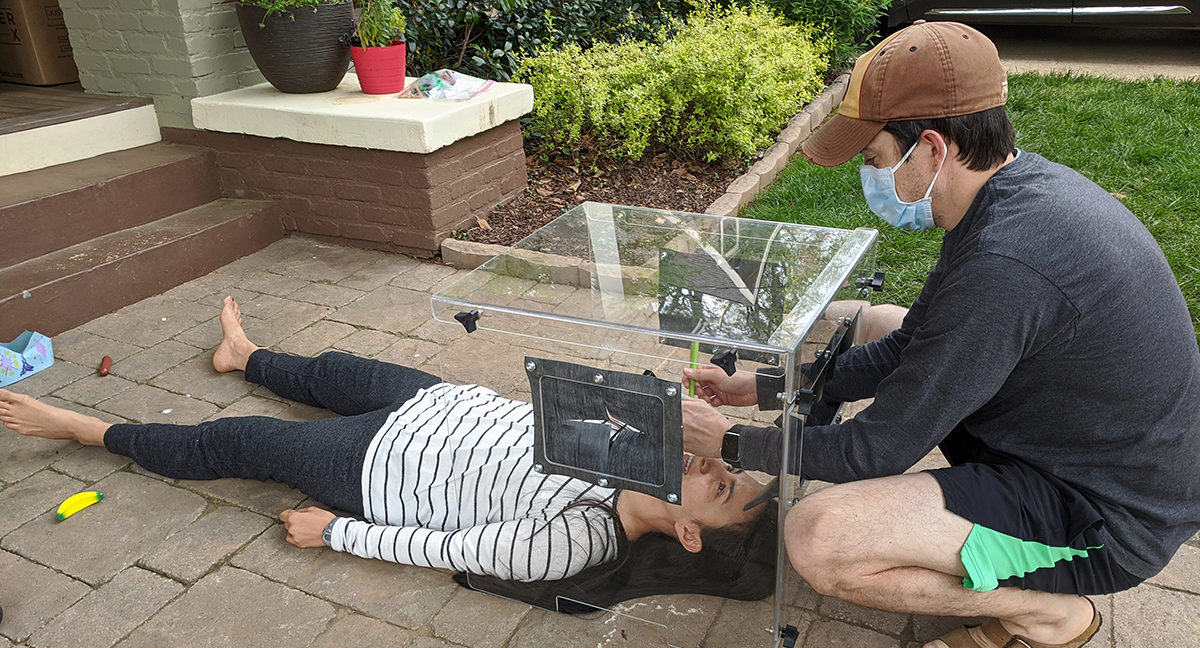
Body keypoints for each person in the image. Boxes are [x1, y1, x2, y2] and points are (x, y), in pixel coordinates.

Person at [680, 20, 1200, 648]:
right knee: (875, 322)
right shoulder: (1009, 195)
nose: (868, 177)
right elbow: (913, 344)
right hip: (1089, 450)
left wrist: (734, 441)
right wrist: (764, 386)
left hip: (1107, 518)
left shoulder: (1007, 264)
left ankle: (1046, 614)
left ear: (931, 147)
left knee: (818, 539)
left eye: (874, 159)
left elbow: (875, 451)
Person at [0, 297, 776, 610]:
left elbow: (445, 546)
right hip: (435, 401)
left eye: (720, 489)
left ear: (686, 532)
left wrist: (334, 532)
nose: (715, 469)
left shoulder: (579, 539)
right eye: (729, 466)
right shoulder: (649, 454)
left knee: (237, 442)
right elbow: (557, 395)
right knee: (334, 369)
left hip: (373, 466)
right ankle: (244, 357)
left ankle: (80, 428)